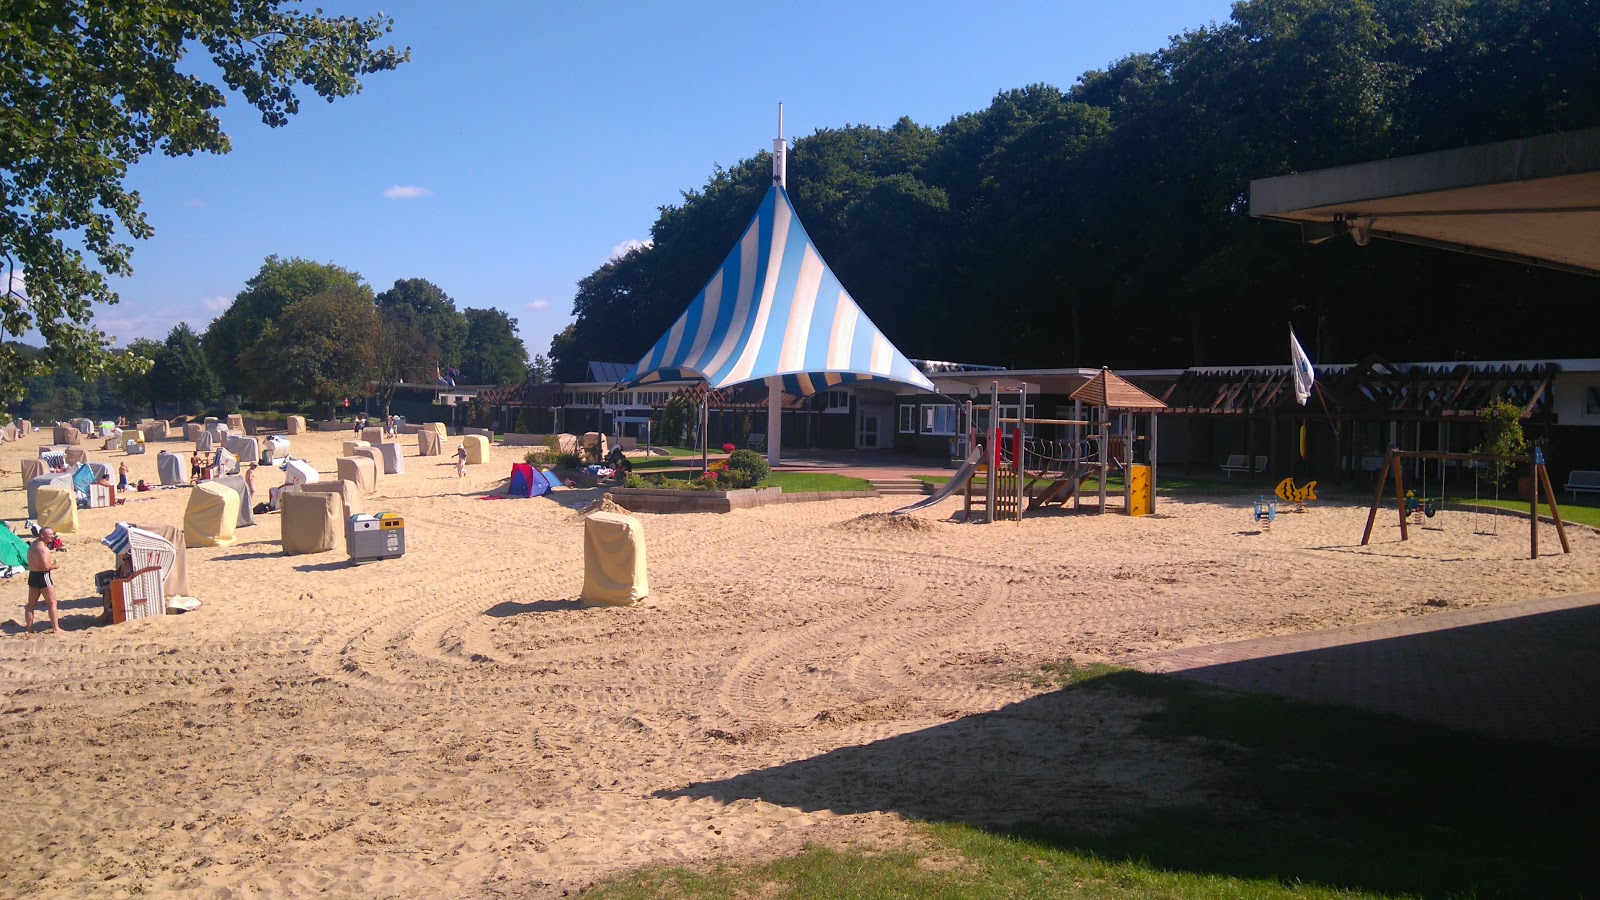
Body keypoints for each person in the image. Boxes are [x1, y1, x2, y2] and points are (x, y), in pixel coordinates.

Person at [26, 527, 63, 635]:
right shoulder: (43, 549)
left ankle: (30, 629)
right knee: (52, 603)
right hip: (43, 576)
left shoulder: (32, 547)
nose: (52, 536)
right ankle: (56, 628)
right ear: (42, 535)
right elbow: (46, 567)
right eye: (50, 534)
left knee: (31, 605)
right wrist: (55, 565)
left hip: (32, 575)